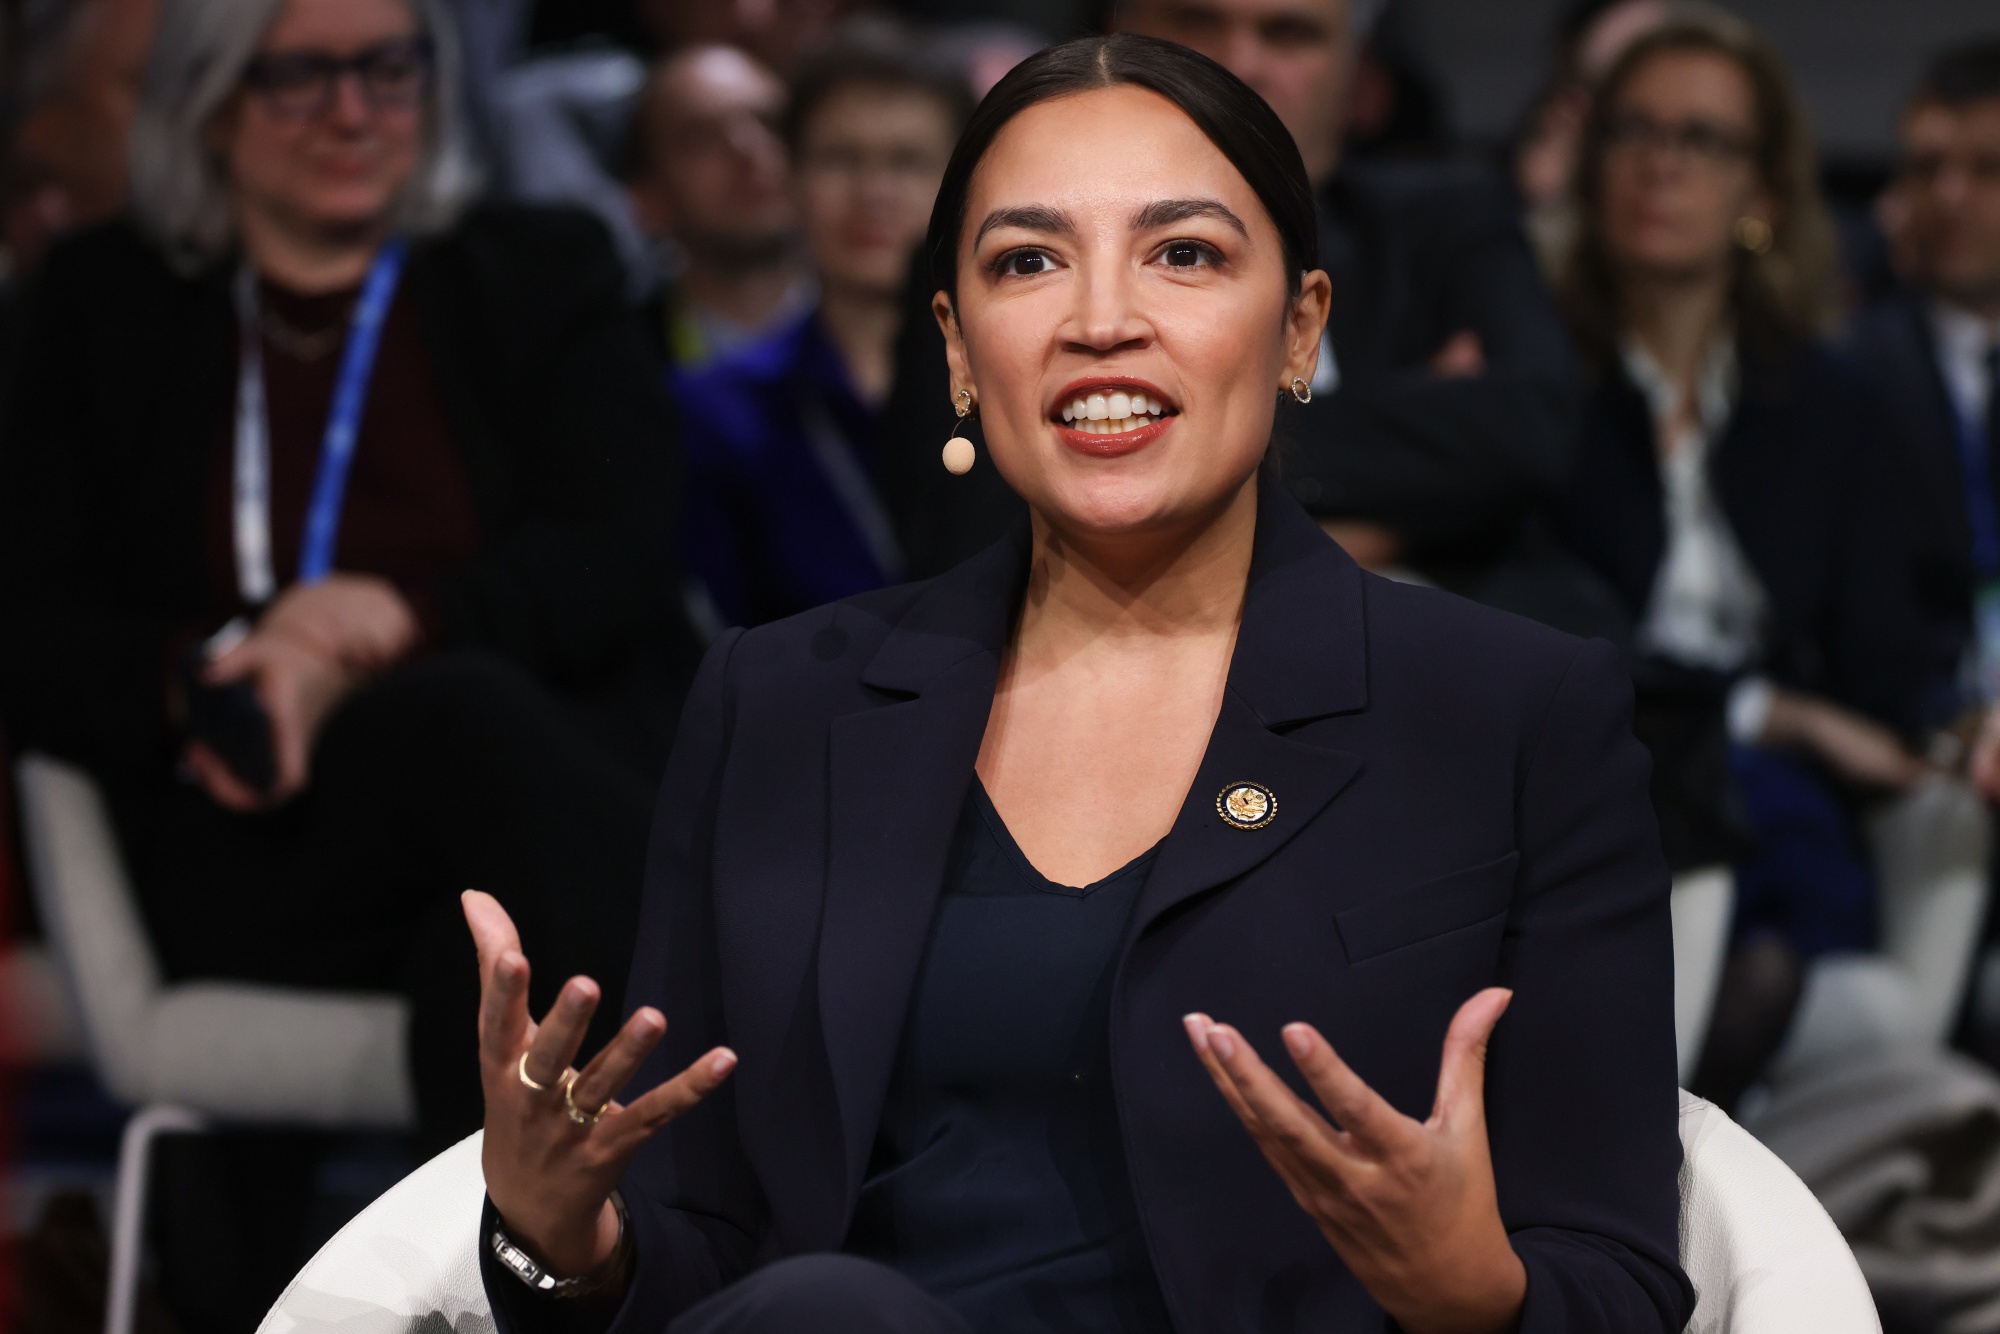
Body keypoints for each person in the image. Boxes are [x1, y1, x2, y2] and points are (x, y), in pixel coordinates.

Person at [469, 34, 1691, 1334]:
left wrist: (1471, 1291)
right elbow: (686, 1255)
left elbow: (1616, 1280)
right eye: (1028, 261)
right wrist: (556, 1237)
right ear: (954, 345)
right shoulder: (779, 702)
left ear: (1300, 329)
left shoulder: (1511, 715)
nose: (1102, 320)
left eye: (1185, 253)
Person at [0, 0, 695, 1287]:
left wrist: (376, 628)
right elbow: (29, 623)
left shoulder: (541, 267)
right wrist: (232, 666)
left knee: (477, 941)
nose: (353, 110)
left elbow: (620, 553)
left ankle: (508, 1296)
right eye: (300, 77)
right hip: (253, 829)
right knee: (466, 729)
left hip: (504, 821)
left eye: (388, 68)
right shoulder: (102, 302)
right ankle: (722, 1147)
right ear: (208, 101)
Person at [1545, 14, 1932, 1109]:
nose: (1661, 163)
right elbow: (1542, 622)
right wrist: (1777, 711)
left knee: (1767, 871)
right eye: (1633, 130)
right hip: (1598, 764)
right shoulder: (1535, 383)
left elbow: (1884, 660)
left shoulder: (1829, 405)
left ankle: (1662, 1167)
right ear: (1591, 158)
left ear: (1760, 188)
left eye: (1701, 139)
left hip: (1766, 807)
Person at [675, 29, 967, 630]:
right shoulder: (717, 413)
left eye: (908, 161)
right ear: (789, 179)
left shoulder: (1022, 389)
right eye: (840, 159)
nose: (874, 194)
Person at [1849, 40, 2000, 743]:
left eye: (1987, 168)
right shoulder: (1847, 370)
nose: (1949, 196)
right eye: (1926, 168)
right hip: (1921, 735)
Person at [624, 44, 813, 368]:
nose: (749, 151)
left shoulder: (912, 328)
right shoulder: (606, 370)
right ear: (646, 200)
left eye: (769, 122)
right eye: (701, 138)